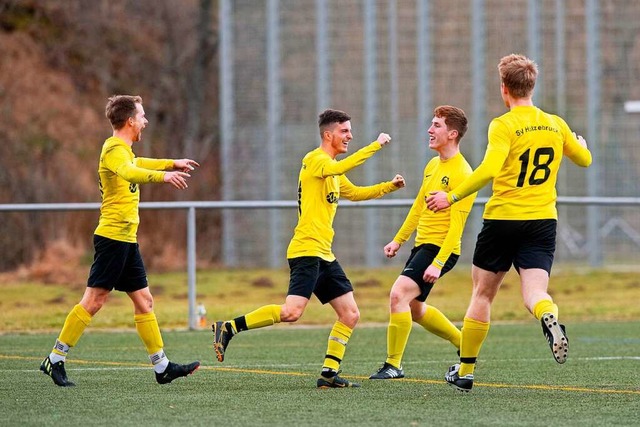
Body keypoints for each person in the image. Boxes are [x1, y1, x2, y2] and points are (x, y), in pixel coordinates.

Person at [426, 54, 592, 392]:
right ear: (532, 85)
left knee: (483, 294)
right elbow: (585, 160)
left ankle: (466, 371)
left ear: (504, 89)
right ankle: (547, 314)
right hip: (542, 221)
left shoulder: (502, 125)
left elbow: (488, 170)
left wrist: (452, 196)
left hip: (503, 219)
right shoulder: (556, 124)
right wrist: (581, 145)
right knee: (534, 292)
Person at [212, 108, 406, 388]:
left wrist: (389, 186)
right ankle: (228, 327)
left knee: (350, 314)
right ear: (328, 135)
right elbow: (339, 168)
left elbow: (356, 193)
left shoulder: (332, 171)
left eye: (350, 131)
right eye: (344, 131)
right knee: (292, 312)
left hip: (324, 254)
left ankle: (328, 374)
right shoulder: (315, 160)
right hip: (306, 250)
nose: (350, 135)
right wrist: (375, 145)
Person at [40, 95, 201, 387]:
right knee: (94, 301)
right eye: (142, 116)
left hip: (126, 240)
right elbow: (130, 171)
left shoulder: (123, 150)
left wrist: (171, 163)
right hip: (112, 238)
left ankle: (162, 366)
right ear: (129, 121)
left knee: (145, 301)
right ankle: (55, 359)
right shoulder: (113, 149)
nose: (145, 121)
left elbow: (137, 162)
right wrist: (164, 177)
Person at [369, 105, 477, 380]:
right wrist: (398, 240)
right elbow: (418, 207)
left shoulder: (464, 173)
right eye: (431, 124)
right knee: (414, 308)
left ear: (452, 134)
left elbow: (457, 227)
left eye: (437, 125)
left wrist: (439, 263)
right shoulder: (432, 165)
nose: (429, 130)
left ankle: (393, 365)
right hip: (423, 246)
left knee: (398, 295)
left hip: (440, 249)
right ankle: (465, 345)